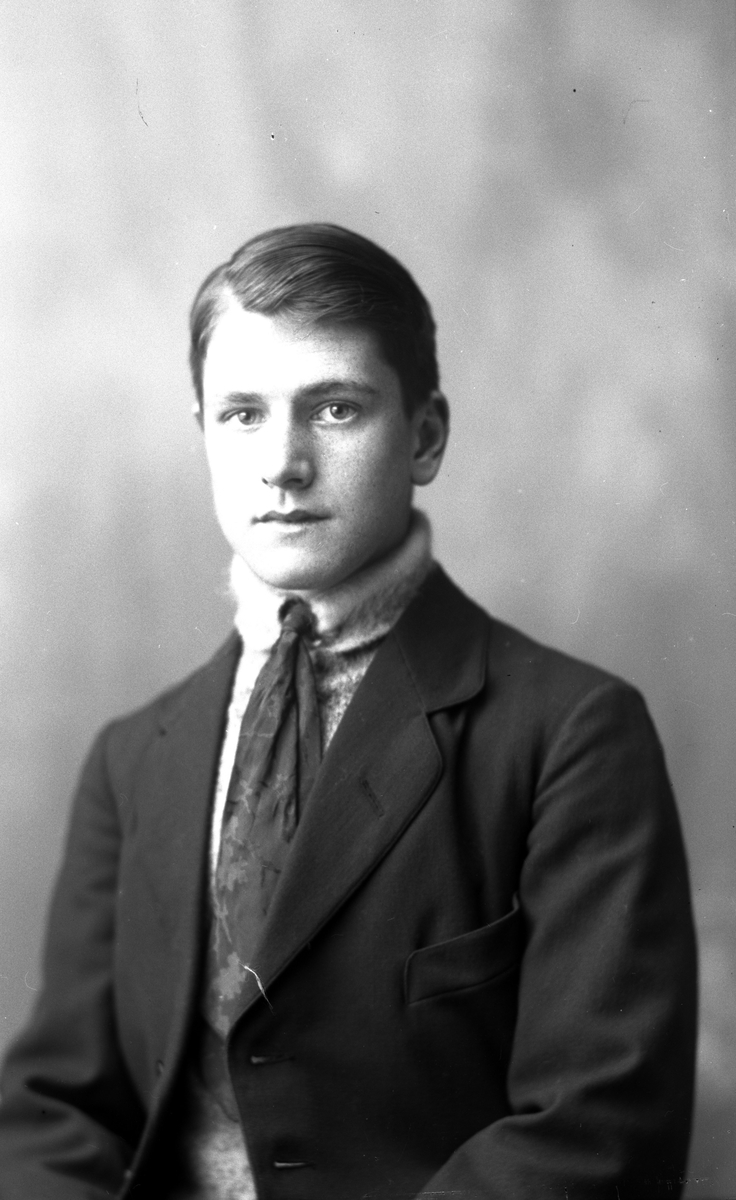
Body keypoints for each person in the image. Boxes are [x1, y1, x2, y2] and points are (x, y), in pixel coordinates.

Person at [0, 224, 697, 1200]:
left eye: (334, 409)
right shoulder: (131, 759)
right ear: (203, 433)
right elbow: (54, 1110)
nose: (282, 463)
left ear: (425, 436)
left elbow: (598, 1129)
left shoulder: (570, 736)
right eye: (242, 414)